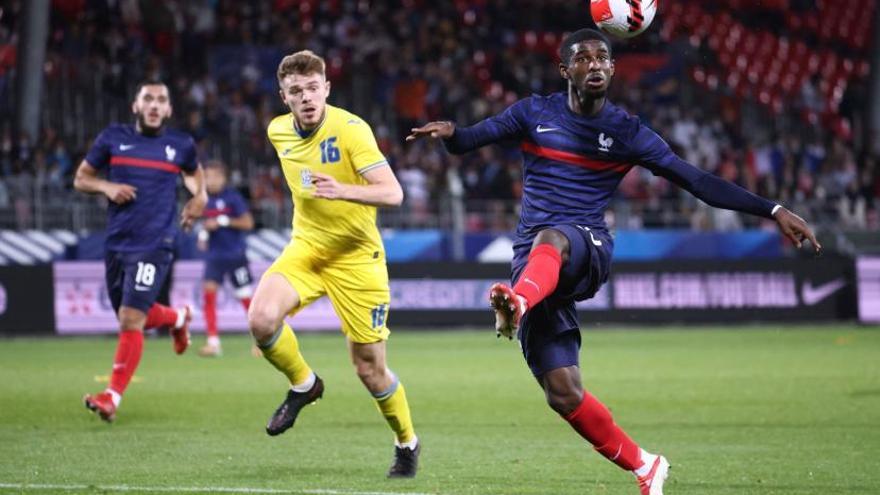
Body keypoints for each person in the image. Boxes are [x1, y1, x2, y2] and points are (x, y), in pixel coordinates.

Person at [407, 29, 821, 495]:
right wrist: (448, 135)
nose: (595, 64)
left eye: (603, 56)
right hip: (535, 265)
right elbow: (469, 139)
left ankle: (516, 305)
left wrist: (773, 209)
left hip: (586, 247)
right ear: (565, 71)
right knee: (562, 392)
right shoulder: (533, 113)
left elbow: (698, 180)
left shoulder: (627, 132)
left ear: (613, 68)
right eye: (583, 58)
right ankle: (646, 466)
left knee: (555, 236)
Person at [248, 50, 420, 478]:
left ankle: (407, 443)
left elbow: (393, 193)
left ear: (326, 88)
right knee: (262, 319)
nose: (305, 97)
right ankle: (304, 385)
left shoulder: (351, 130)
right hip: (307, 247)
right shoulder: (277, 131)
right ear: (284, 96)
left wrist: (343, 190)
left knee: (369, 369)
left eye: (312, 88)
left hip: (358, 258)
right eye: (295, 91)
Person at [75, 80, 207, 422]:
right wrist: (107, 185)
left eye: (161, 99)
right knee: (130, 315)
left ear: (168, 110)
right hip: (117, 243)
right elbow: (81, 178)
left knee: (130, 319)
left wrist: (200, 197)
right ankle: (178, 317)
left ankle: (111, 397)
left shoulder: (180, 144)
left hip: (156, 242)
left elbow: (195, 175)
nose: (154, 105)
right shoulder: (112, 139)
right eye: (147, 98)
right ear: (135, 105)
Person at [196, 159, 255, 357]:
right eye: (207, 177)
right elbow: (205, 224)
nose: (210, 181)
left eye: (214, 176)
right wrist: (203, 235)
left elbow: (247, 223)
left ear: (223, 178)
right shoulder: (203, 199)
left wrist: (222, 221)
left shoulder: (233, 198)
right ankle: (213, 342)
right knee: (209, 295)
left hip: (235, 255)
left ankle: (262, 342)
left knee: (246, 299)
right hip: (215, 256)